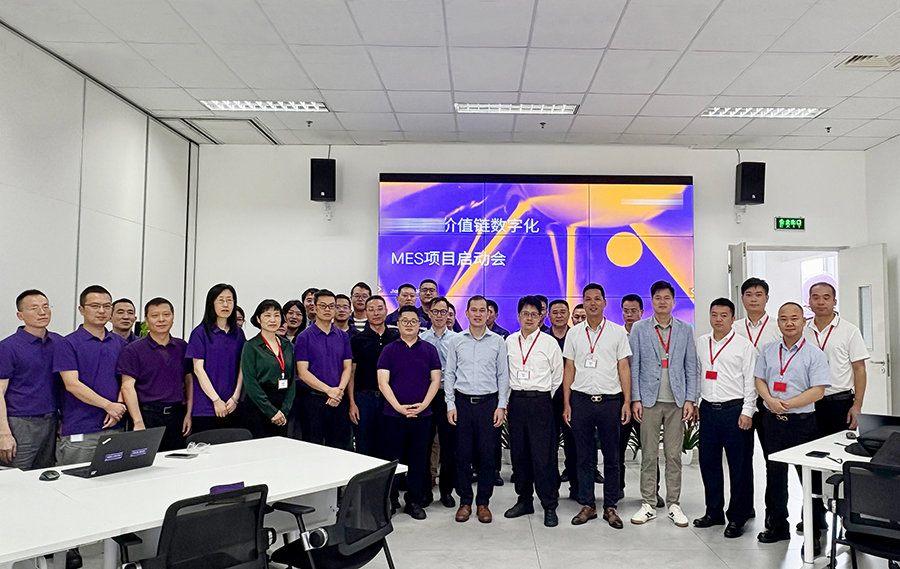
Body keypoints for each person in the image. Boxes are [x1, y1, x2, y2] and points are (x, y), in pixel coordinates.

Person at [755, 302, 830, 554]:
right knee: (775, 476)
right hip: (773, 422)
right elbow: (759, 379)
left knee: (809, 479)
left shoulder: (814, 354)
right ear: (778, 322)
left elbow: (818, 391)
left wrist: (787, 404)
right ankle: (777, 526)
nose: (789, 323)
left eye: (794, 318)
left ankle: (813, 532)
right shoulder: (768, 350)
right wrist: (769, 400)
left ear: (803, 321)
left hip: (802, 424)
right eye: (783, 319)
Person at [562, 284, 632, 528]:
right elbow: (569, 368)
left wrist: (627, 401)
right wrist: (567, 403)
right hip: (581, 401)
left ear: (604, 302)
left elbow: (623, 367)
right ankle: (588, 505)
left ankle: (610, 506)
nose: (592, 303)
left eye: (597, 299)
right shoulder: (574, 333)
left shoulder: (616, 332)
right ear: (583, 302)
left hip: (610, 402)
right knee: (583, 457)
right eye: (588, 299)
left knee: (612, 457)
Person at [629, 280, 697, 528]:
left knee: (673, 455)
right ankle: (648, 503)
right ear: (652, 301)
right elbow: (634, 366)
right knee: (648, 454)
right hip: (649, 401)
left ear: (673, 301)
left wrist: (690, 399)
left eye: (667, 297)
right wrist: (636, 399)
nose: (662, 301)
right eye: (657, 297)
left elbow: (691, 366)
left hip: (676, 401)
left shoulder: (685, 329)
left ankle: (674, 504)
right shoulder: (639, 329)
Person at [693, 299, 757, 538]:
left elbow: (751, 380)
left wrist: (748, 411)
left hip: (735, 410)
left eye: (724, 315)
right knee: (708, 463)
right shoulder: (702, 342)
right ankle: (713, 512)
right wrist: (696, 402)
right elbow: (698, 373)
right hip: (708, 410)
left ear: (732, 318)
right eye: (714, 314)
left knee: (739, 466)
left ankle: (738, 517)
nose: (718, 319)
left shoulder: (744, 346)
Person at [445, 296, 509, 524]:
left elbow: (503, 375)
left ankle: (483, 502)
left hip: (488, 405)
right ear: (467, 313)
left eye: (483, 310)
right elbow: (449, 374)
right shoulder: (456, 341)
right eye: (474, 310)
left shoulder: (498, 341)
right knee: (462, 455)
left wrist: (501, 405)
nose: (479, 314)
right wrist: (450, 404)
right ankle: (465, 501)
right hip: (462, 404)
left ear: (488, 313)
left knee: (487, 456)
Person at [377, 305, 442, 519]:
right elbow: (383, 382)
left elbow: (435, 380)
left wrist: (423, 405)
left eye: (413, 321)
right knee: (392, 460)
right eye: (404, 321)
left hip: (422, 415)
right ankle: (390, 499)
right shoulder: (389, 350)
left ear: (419, 325)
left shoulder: (429, 350)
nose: (409, 325)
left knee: (418, 459)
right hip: (393, 414)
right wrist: (398, 407)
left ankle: (414, 500)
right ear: (398, 324)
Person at [504, 296, 563, 527]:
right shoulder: (509, 341)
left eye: (534, 314)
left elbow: (557, 376)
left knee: (543, 455)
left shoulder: (549, 343)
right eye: (525, 313)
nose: (529, 318)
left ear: (541, 317)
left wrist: (542, 397)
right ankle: (524, 500)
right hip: (517, 401)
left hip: (541, 402)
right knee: (519, 454)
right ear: (518, 316)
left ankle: (549, 504)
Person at [53, 285, 128, 464]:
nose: (101, 311)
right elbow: (72, 384)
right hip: (81, 428)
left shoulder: (119, 342)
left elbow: (126, 380)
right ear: (81, 310)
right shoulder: (67, 343)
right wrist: (108, 406)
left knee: (115, 478)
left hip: (116, 426)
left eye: (106, 306)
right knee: (76, 479)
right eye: (95, 306)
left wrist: (118, 407)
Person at [732, 277, 780, 527]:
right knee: (742, 458)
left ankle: (773, 512)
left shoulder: (777, 327)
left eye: (759, 294)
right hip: (741, 401)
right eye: (748, 294)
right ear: (742, 298)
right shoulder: (733, 327)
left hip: (770, 400)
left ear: (767, 298)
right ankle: (744, 507)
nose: (753, 299)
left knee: (773, 459)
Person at [117, 298, 193, 451]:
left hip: (177, 415)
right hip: (147, 415)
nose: (161, 319)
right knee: (144, 461)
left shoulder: (182, 346)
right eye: (155, 315)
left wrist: (189, 414)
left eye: (166, 314)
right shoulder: (133, 350)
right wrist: (138, 421)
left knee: (176, 460)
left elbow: (189, 381)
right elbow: (127, 387)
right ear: (146, 319)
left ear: (173, 317)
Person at [0, 290, 62, 469]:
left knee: (46, 474)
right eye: (34, 308)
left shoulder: (59, 342)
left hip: (52, 420)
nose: (42, 312)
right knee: (16, 476)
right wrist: (4, 433)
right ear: (20, 315)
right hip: (20, 422)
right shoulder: (8, 347)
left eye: (45, 307)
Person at [296, 289, 353, 449]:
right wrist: (329, 390)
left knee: (339, 447)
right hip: (313, 400)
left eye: (331, 306)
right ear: (314, 307)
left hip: (339, 399)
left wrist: (338, 391)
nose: (327, 309)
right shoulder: (304, 337)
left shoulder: (343, 336)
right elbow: (303, 372)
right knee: (313, 447)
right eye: (323, 306)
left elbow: (347, 367)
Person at [186, 284, 245, 433]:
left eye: (229, 300)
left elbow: (242, 367)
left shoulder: (238, 334)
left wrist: (235, 398)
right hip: (206, 408)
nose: (226, 304)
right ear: (211, 303)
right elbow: (198, 369)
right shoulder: (200, 333)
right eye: (221, 300)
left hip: (232, 406)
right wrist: (216, 400)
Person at [349, 295, 399, 456]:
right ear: (365, 313)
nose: (376, 313)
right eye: (371, 309)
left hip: (390, 399)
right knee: (364, 445)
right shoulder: (357, 340)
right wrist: (352, 403)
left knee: (389, 445)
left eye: (379, 309)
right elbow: (351, 373)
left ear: (386, 311)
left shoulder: (396, 338)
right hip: (364, 399)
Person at [420, 296, 458, 507]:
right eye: (436, 311)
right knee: (425, 444)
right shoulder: (422, 338)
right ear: (429, 313)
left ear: (449, 315)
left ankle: (447, 492)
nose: (440, 315)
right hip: (426, 395)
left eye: (444, 312)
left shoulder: (457, 339)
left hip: (448, 396)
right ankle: (425, 490)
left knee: (449, 445)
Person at [241, 300, 296, 439]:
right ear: (258, 319)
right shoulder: (251, 346)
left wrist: (285, 409)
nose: (273, 320)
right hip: (259, 404)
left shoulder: (286, 345)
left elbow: (292, 379)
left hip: (282, 405)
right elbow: (250, 382)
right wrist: (271, 412)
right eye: (267, 315)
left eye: (277, 315)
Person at [547, 299, 576, 490]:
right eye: (555, 312)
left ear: (568, 315)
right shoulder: (542, 338)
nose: (559, 316)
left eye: (562, 312)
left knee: (573, 444)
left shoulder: (576, 337)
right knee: (549, 444)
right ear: (549, 316)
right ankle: (551, 488)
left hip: (573, 399)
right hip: (548, 399)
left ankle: (576, 486)